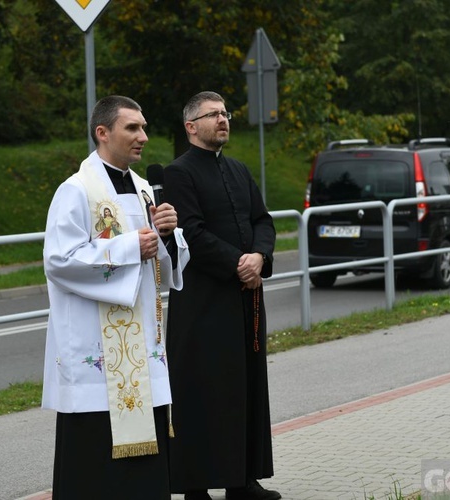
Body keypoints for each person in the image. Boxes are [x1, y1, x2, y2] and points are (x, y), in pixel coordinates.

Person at [41, 95, 189, 499]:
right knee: (96, 463)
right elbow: (59, 260)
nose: (143, 136)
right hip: (96, 349)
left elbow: (165, 262)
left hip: (142, 344)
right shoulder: (75, 191)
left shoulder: (145, 190)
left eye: (143, 127)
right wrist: (128, 248)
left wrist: (168, 237)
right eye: (132, 128)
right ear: (102, 133)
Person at [164, 91, 280, 500]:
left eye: (226, 113)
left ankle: (242, 480)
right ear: (191, 126)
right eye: (213, 115)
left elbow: (262, 220)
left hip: (245, 300)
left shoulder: (239, 169)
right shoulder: (179, 174)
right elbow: (190, 233)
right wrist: (239, 263)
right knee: (203, 391)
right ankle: (196, 487)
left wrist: (260, 257)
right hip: (202, 303)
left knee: (245, 387)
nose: (223, 119)